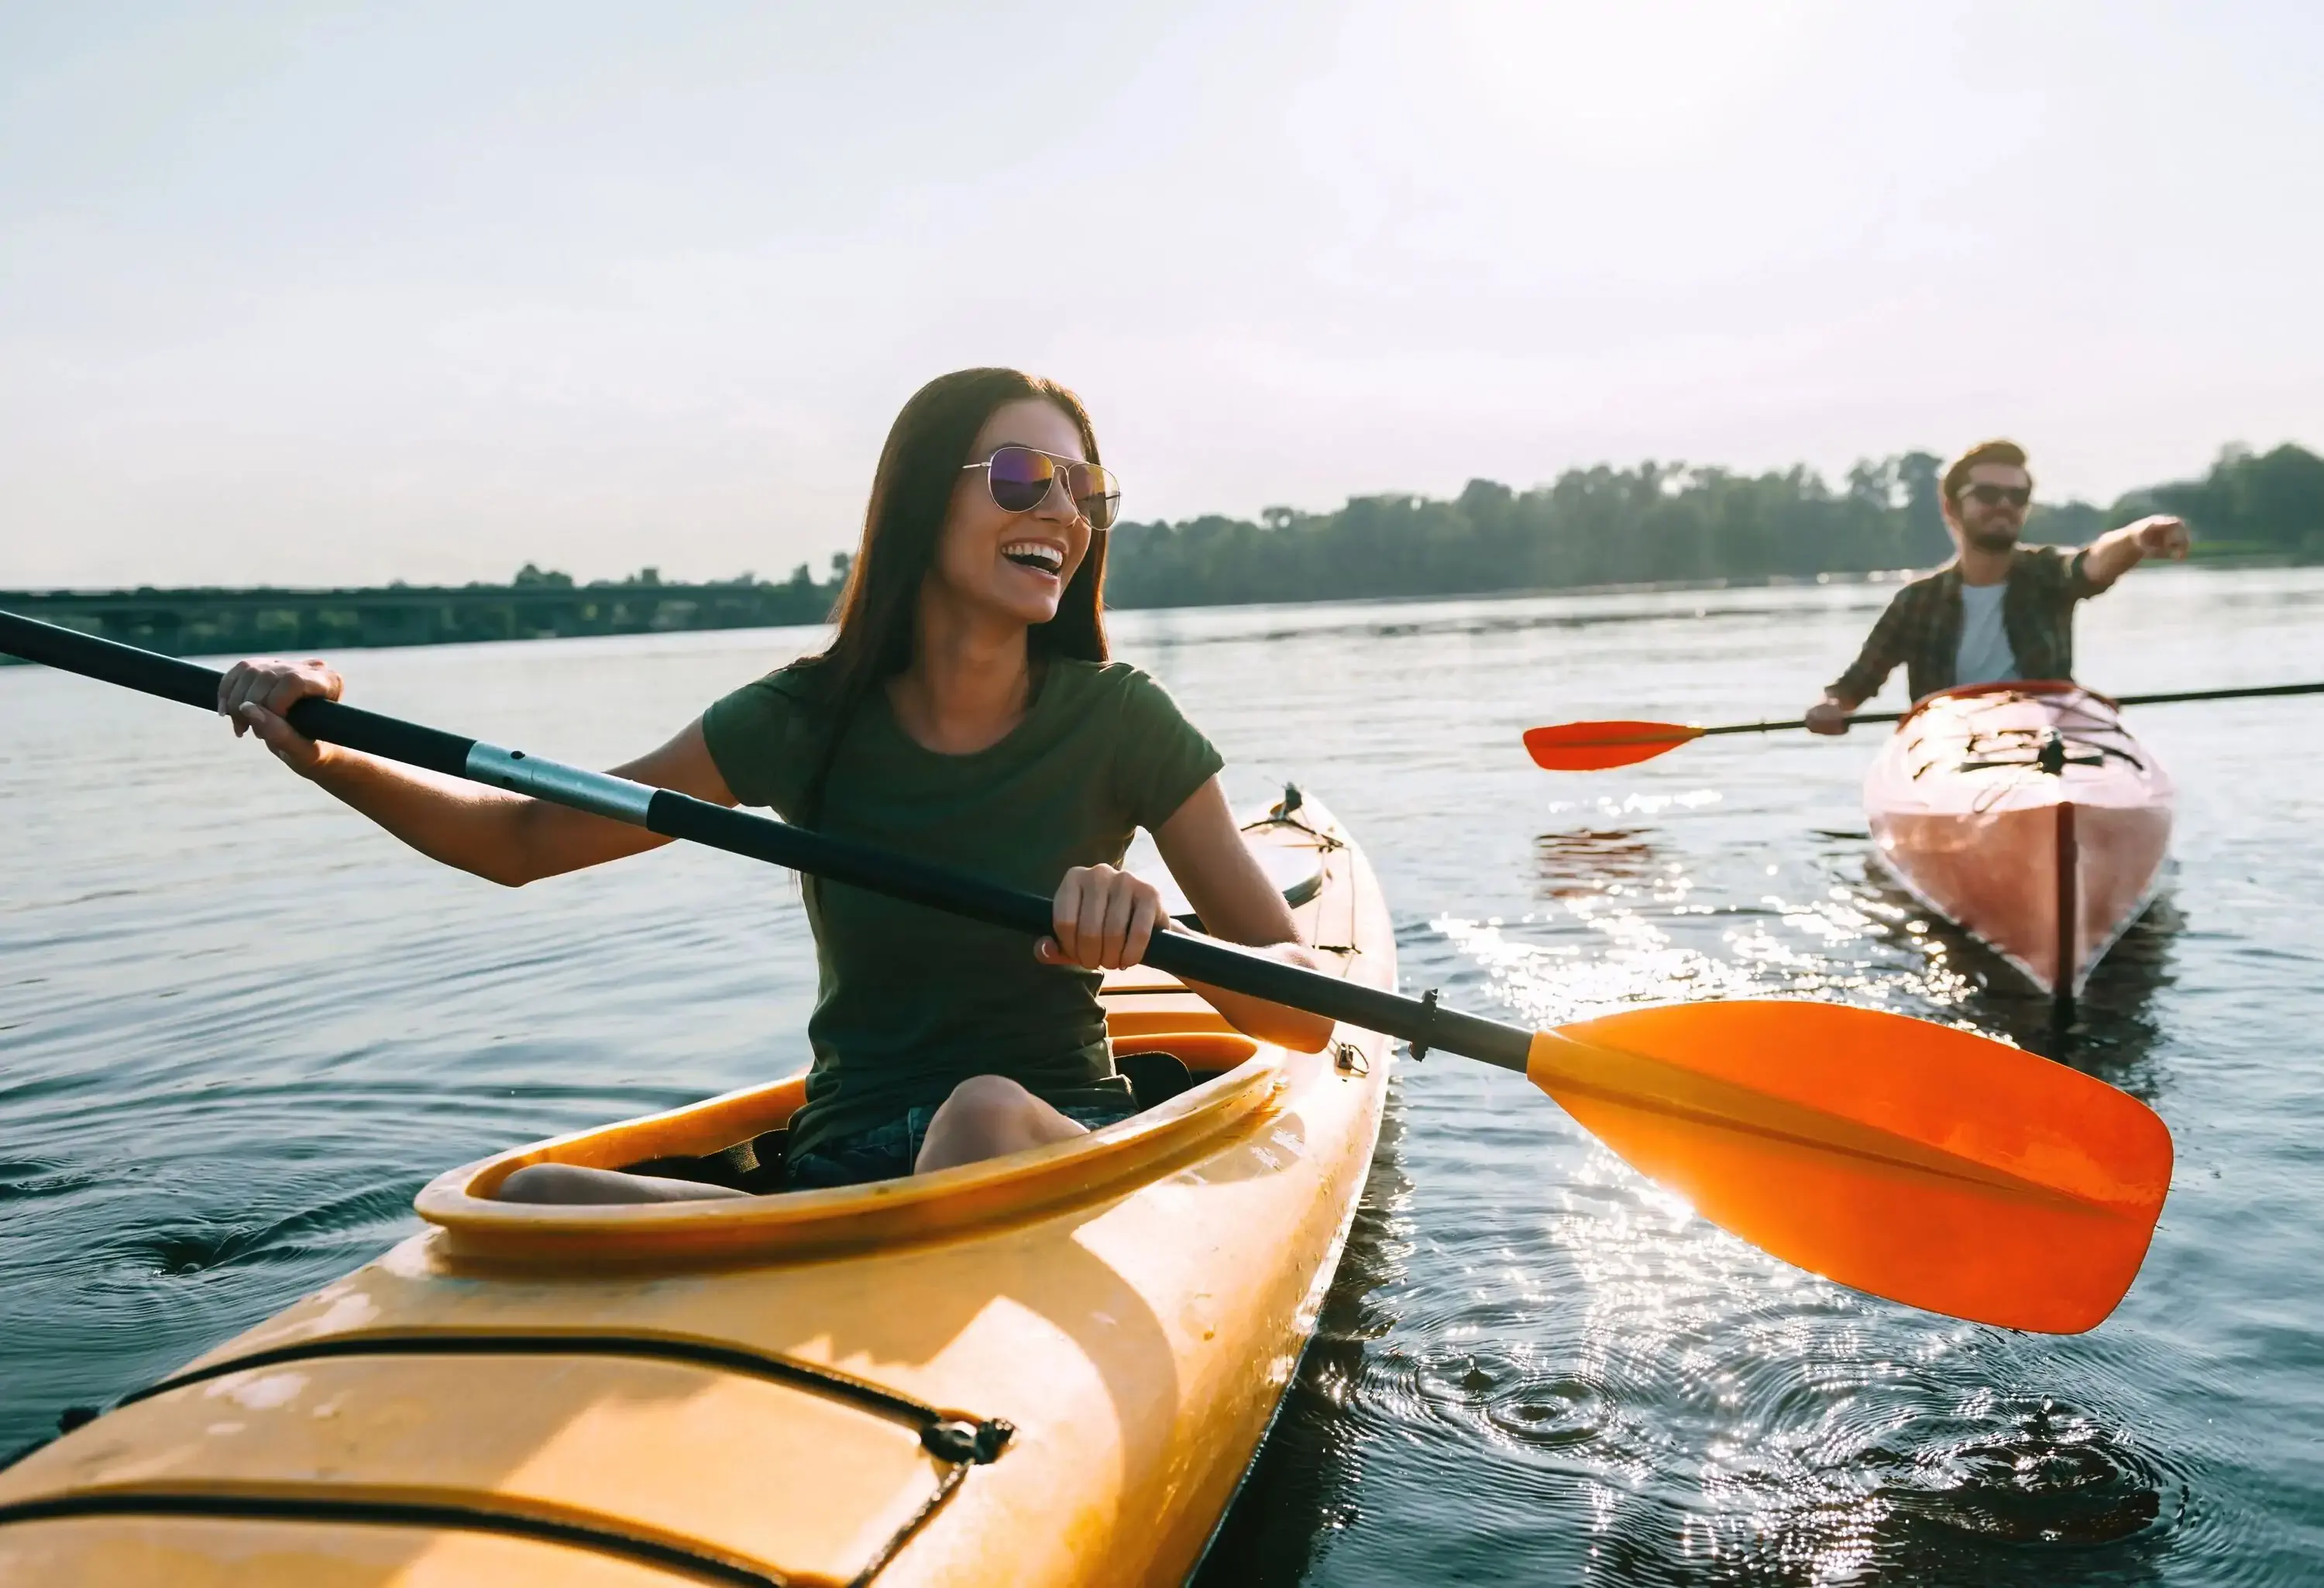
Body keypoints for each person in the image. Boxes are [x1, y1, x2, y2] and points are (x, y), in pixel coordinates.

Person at [214, 367, 1334, 1203]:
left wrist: (1149, 932)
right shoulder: (802, 719)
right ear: (918, 500)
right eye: (1021, 476)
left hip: (1040, 1139)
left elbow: (1298, 1010)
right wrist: (325, 748)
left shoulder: (1122, 720)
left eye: (1086, 488)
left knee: (980, 1111)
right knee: (523, 1193)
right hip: (840, 1167)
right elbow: (519, 838)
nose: (1063, 511)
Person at [1804, 438, 2190, 733]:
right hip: (1950, 748)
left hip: (2047, 741)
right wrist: (1830, 706)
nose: (2005, 504)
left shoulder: (2048, 574)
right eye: (1988, 494)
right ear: (1951, 508)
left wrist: (2139, 537)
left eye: (2018, 496)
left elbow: (2093, 563)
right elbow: (1853, 686)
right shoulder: (1916, 602)